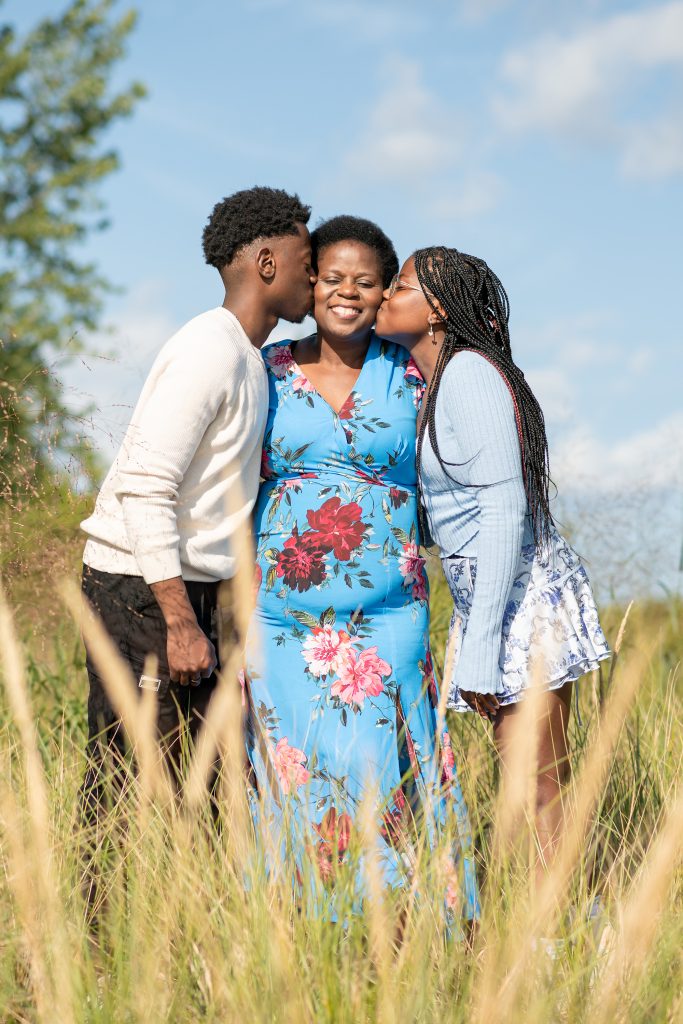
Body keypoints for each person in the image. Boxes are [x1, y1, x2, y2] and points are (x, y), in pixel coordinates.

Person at [243, 217, 479, 919]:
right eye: (332, 277)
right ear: (309, 282)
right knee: (298, 768)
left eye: (366, 281)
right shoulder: (266, 370)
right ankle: (307, 927)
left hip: (391, 615)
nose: (347, 292)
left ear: (383, 294)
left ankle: (412, 923)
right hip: (281, 619)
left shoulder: (409, 372)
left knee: (389, 766)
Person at [79, 186, 315, 830]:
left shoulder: (251, 358)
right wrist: (180, 621)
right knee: (127, 786)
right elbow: (146, 485)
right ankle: (101, 933)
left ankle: (181, 928)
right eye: (305, 258)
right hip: (142, 589)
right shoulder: (209, 350)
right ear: (267, 262)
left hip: (187, 593)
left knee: (203, 790)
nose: (315, 273)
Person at [375, 247, 610, 871]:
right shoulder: (436, 379)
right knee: (530, 784)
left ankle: (558, 944)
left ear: (436, 311)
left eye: (398, 286)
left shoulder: (469, 374)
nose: (383, 296)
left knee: (536, 788)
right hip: (494, 592)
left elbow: (504, 511)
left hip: (517, 597)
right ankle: (560, 935)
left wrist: (478, 647)